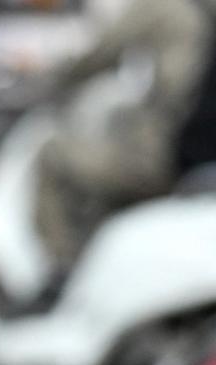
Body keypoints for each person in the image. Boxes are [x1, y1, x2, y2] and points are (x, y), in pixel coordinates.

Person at [34, 0, 216, 269]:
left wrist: (51, 80)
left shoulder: (166, 7)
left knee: (52, 155)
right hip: (202, 155)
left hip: (168, 158)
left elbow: (102, 54)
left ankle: (61, 273)